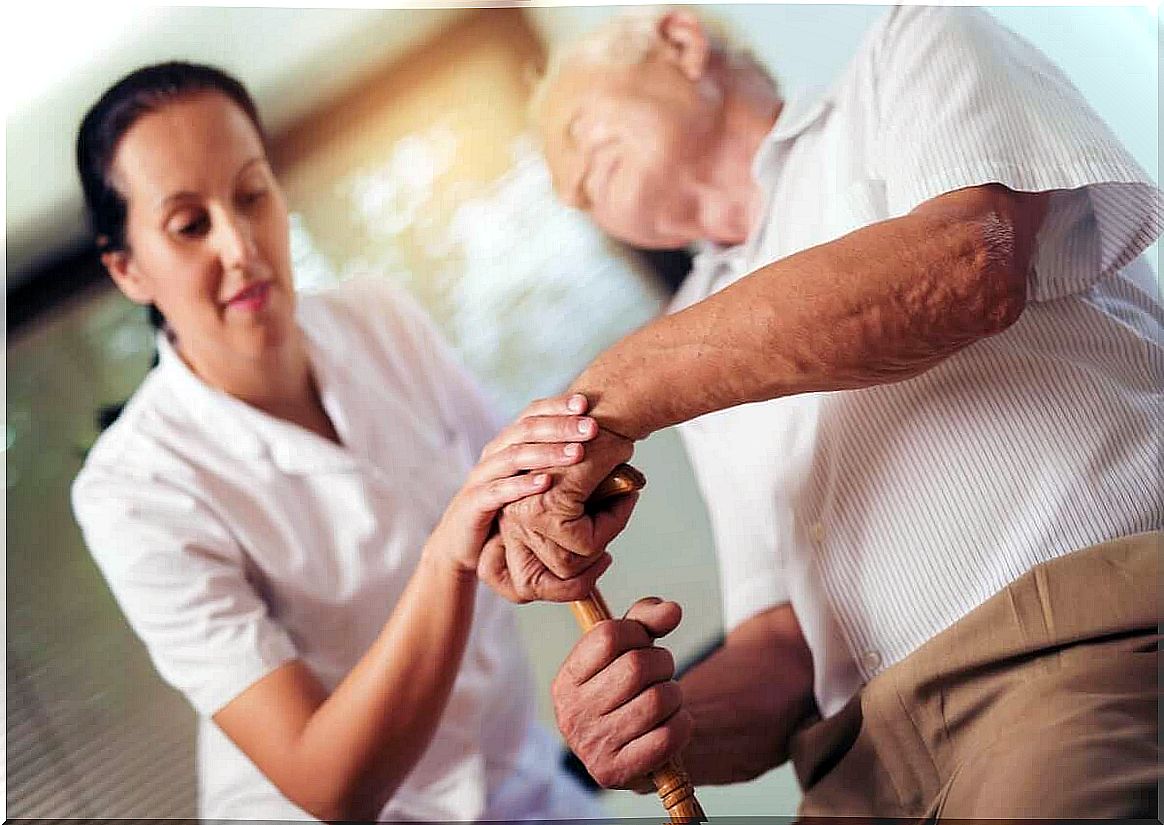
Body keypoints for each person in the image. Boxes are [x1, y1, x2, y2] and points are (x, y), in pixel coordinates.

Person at [479, 6, 1162, 819]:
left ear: (681, 42)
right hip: (856, 768)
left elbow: (967, 263)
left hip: (1070, 651)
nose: (572, 186)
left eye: (581, 133)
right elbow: (781, 645)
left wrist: (618, 387)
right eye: (570, 194)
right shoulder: (683, 341)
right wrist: (668, 722)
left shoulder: (912, 49)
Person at [70, 62, 612, 821]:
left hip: (518, 783)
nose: (242, 246)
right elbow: (328, 783)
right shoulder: (131, 490)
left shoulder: (377, 315)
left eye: (253, 195)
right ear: (127, 269)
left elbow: (525, 493)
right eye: (191, 225)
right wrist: (450, 553)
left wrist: (565, 503)